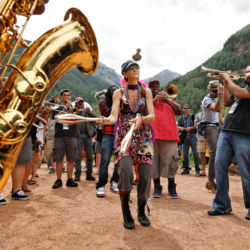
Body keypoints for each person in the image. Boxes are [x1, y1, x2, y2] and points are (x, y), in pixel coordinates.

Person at [99, 60, 155, 229]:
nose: (135, 70)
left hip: (144, 137)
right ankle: (126, 211)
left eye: (137, 67)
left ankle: (140, 210)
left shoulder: (146, 92)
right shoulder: (118, 92)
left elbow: (151, 115)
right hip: (124, 136)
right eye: (131, 68)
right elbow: (114, 117)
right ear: (124, 74)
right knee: (125, 173)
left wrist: (142, 119)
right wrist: (105, 120)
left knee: (145, 176)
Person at [208, 66, 250, 221]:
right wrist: (225, 85)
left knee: (246, 172)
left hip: (245, 134)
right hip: (226, 131)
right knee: (219, 166)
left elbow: (240, 93)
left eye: (249, 71)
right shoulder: (241, 88)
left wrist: (228, 79)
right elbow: (227, 102)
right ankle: (222, 205)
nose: (246, 74)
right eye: (245, 71)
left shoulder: (243, 90)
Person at [149, 80, 182, 199]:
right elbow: (142, 112)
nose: (155, 89)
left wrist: (166, 99)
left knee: (171, 162)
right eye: (152, 87)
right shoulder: (148, 102)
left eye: (157, 87)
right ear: (149, 90)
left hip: (169, 136)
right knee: (154, 163)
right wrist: (153, 101)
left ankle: (171, 186)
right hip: (152, 137)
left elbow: (179, 111)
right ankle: (157, 186)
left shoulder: (168, 100)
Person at [96, 85, 120, 197]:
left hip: (120, 135)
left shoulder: (122, 102)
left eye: (116, 90)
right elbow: (106, 114)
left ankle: (115, 182)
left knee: (119, 161)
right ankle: (101, 185)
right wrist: (116, 104)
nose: (114, 92)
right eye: (112, 91)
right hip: (108, 135)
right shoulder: (103, 102)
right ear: (109, 93)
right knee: (105, 160)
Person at [52, 89, 78, 189]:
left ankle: (70, 179)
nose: (67, 97)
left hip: (71, 135)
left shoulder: (73, 108)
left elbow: (76, 120)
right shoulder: (57, 107)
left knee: (71, 158)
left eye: (68, 95)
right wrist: (65, 108)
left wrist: (71, 109)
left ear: (70, 97)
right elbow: (56, 118)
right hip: (59, 136)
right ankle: (58, 180)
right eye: (64, 95)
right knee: (59, 158)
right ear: (62, 97)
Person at [201, 80, 223, 193]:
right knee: (214, 153)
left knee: (222, 152)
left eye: (217, 90)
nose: (215, 92)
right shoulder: (207, 99)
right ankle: (210, 181)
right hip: (209, 128)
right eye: (214, 91)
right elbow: (218, 108)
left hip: (217, 126)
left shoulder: (215, 98)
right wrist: (220, 94)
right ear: (209, 89)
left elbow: (219, 115)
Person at [74, 97, 96, 181]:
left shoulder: (87, 111)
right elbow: (71, 117)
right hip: (78, 136)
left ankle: (89, 174)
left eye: (81, 102)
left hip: (88, 136)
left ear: (83, 102)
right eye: (78, 102)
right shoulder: (74, 110)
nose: (80, 103)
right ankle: (77, 175)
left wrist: (90, 112)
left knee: (90, 156)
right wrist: (76, 111)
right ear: (76, 103)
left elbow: (94, 118)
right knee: (77, 156)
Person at [178, 104, 200, 176]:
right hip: (184, 137)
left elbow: (197, 124)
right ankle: (186, 169)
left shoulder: (193, 116)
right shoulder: (181, 118)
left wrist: (191, 128)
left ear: (189, 109)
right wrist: (181, 128)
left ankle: (197, 170)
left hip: (192, 135)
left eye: (187, 108)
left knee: (195, 153)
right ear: (183, 110)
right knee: (185, 154)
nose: (186, 109)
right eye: (185, 108)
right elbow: (179, 126)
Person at [194, 102, 207, 176]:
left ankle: (214, 171)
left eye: (204, 104)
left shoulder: (210, 113)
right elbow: (195, 125)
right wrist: (202, 122)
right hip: (200, 137)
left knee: (213, 154)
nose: (203, 106)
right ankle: (203, 171)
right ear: (200, 106)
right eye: (202, 104)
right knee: (202, 154)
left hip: (210, 136)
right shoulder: (198, 115)